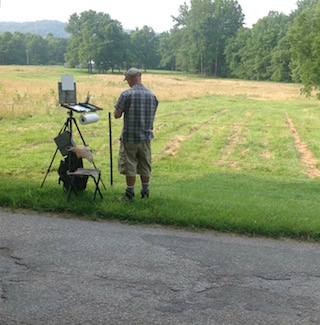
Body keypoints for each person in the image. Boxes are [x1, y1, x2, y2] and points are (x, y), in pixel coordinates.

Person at [114, 68, 158, 201]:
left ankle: (129, 194)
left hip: (130, 137)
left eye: (127, 80)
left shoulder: (126, 95)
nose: (127, 82)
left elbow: (117, 115)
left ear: (132, 78)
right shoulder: (152, 95)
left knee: (130, 165)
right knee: (145, 165)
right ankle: (145, 193)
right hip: (145, 136)